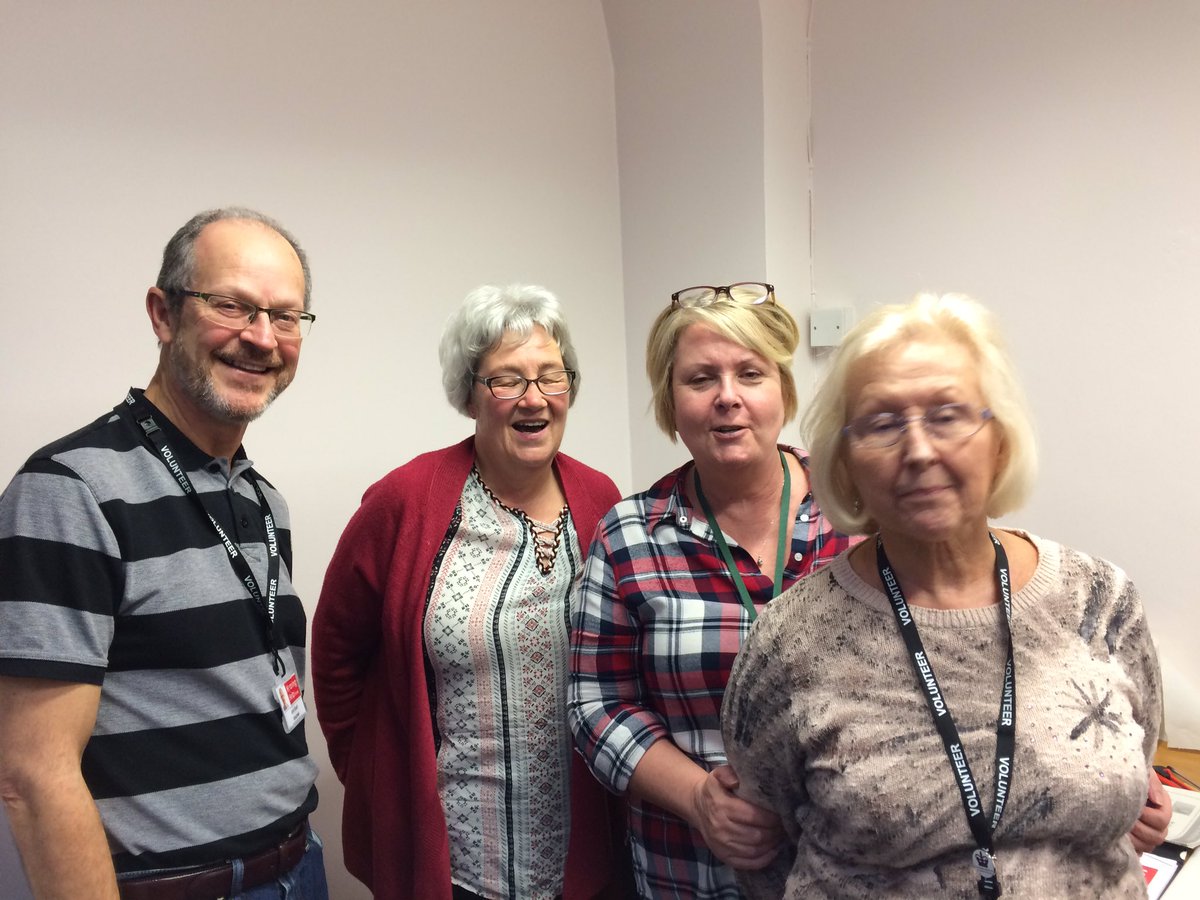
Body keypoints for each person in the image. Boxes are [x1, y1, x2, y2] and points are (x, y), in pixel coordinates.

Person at [722, 293, 1169, 899]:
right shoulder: (790, 640)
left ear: (999, 439)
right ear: (846, 463)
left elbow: (1132, 785)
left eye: (948, 415)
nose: (920, 450)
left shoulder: (1100, 601)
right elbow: (761, 847)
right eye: (882, 424)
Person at [0, 207, 327, 899]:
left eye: (285, 316)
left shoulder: (263, 499)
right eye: (231, 305)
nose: (261, 338)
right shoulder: (69, 490)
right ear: (163, 313)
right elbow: (32, 775)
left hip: (299, 867)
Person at [311, 284, 627, 900]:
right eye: (506, 379)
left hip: (585, 861)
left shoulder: (602, 499)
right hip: (458, 866)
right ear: (470, 393)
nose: (533, 398)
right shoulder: (404, 502)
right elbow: (336, 651)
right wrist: (377, 773)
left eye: (551, 376)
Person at [568, 282, 857, 899]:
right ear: (670, 403)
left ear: (783, 390)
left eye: (750, 373)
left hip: (853, 867)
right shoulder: (629, 536)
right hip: (690, 873)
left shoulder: (857, 511)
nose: (728, 396)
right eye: (701, 379)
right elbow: (597, 704)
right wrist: (699, 798)